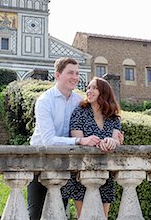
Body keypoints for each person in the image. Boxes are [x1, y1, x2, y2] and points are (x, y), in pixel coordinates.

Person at [28, 57, 101, 220]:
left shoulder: (79, 101)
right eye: (70, 73)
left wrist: (114, 135)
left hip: (65, 163)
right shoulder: (44, 101)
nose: (75, 77)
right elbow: (48, 141)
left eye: (77, 73)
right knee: (35, 213)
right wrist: (79, 141)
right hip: (39, 161)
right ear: (58, 75)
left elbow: (95, 123)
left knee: (59, 211)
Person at [61, 77, 122, 219]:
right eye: (88, 88)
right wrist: (99, 143)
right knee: (84, 216)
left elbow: (116, 139)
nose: (89, 91)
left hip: (105, 173)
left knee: (103, 216)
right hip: (82, 173)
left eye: (94, 88)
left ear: (104, 92)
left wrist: (111, 142)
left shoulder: (113, 117)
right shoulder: (79, 112)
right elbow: (78, 139)